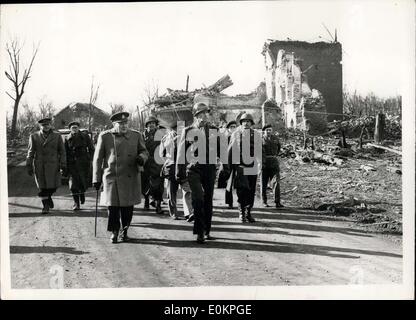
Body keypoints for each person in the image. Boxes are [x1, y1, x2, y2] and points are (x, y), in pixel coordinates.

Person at [92, 111, 149, 243]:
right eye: (120, 123)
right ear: (114, 124)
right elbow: (97, 158)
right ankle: (114, 231)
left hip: (130, 176)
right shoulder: (105, 136)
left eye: (126, 123)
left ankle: (125, 230)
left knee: (128, 207)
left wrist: (142, 158)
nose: (124, 126)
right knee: (112, 207)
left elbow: (144, 151)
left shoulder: (136, 135)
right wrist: (96, 178)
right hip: (112, 177)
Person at [176, 102, 225, 243]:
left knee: (208, 200)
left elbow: (222, 149)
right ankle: (199, 232)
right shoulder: (187, 131)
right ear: (195, 116)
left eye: (206, 113)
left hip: (209, 169)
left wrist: (225, 167)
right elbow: (180, 152)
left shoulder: (214, 130)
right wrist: (179, 172)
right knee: (198, 199)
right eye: (201, 114)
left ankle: (207, 230)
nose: (204, 117)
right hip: (194, 169)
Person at [26, 117, 67, 214]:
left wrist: (63, 164)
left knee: (53, 186)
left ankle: (49, 197)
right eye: (44, 125)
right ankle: (45, 206)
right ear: (40, 126)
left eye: (48, 124)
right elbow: (30, 152)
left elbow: (62, 151)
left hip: (53, 165)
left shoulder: (57, 136)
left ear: (51, 125)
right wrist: (29, 165)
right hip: (40, 165)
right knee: (42, 187)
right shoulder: (34, 136)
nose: (46, 126)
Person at [228, 113, 262, 223]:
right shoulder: (236, 134)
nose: (246, 123)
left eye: (248, 121)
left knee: (251, 190)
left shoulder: (256, 134)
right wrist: (229, 168)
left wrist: (260, 163)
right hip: (240, 166)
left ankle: (248, 212)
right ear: (241, 123)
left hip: (252, 166)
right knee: (242, 190)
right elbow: (230, 151)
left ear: (251, 123)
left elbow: (259, 150)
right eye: (243, 121)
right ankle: (241, 212)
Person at [159, 124, 193, 221]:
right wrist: (169, 161)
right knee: (171, 193)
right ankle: (173, 212)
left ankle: (189, 213)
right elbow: (162, 154)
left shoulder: (187, 137)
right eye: (176, 127)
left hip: (184, 167)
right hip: (171, 168)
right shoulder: (166, 138)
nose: (179, 129)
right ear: (172, 128)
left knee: (187, 190)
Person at [64, 121, 95, 210]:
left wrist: (91, 159)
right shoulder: (67, 138)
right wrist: (64, 164)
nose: (74, 129)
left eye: (76, 127)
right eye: (72, 128)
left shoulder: (85, 137)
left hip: (83, 163)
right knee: (73, 185)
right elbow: (64, 152)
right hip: (72, 164)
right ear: (70, 129)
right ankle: (76, 203)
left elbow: (91, 149)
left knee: (82, 183)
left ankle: (82, 193)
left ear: (78, 128)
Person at [142, 115, 164, 215]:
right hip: (145, 163)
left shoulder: (161, 134)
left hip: (158, 162)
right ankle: (146, 201)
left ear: (156, 125)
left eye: (153, 124)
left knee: (159, 185)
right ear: (146, 126)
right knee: (145, 183)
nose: (151, 125)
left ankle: (158, 205)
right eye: (149, 124)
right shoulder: (142, 136)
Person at [261, 124, 284, 208]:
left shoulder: (275, 139)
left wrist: (274, 156)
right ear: (264, 131)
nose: (268, 131)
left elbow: (278, 148)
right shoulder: (261, 139)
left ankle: (277, 202)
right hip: (264, 163)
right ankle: (264, 201)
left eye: (270, 130)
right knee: (264, 183)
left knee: (276, 182)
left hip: (274, 163)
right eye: (267, 130)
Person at [224, 120, 237, 209]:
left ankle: (242, 202)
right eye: (231, 127)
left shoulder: (238, 137)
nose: (233, 128)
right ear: (228, 128)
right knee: (229, 182)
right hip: (227, 162)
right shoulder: (225, 137)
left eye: (234, 127)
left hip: (237, 161)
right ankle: (229, 202)